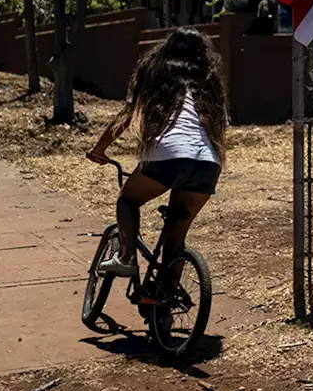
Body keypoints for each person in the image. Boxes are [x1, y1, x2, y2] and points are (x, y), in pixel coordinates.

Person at [87, 27, 228, 277]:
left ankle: (127, 257)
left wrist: (100, 149)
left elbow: (127, 117)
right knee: (176, 238)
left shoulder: (154, 73)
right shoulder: (208, 83)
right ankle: (165, 305)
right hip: (208, 163)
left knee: (127, 200)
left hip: (168, 156)